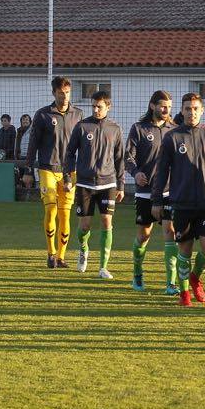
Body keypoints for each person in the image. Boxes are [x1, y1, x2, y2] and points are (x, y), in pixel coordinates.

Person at [151, 93, 205, 307]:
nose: (191, 112)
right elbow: (161, 172)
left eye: (195, 108)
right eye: (187, 108)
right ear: (182, 110)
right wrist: (157, 200)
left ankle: (195, 277)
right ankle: (184, 293)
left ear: (201, 111)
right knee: (184, 251)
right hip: (182, 204)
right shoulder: (172, 138)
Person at [64, 91, 125, 280]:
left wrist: (121, 185)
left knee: (107, 222)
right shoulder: (82, 126)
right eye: (93, 106)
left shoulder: (115, 129)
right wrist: (68, 177)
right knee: (85, 226)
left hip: (108, 183)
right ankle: (83, 251)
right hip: (84, 183)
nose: (96, 109)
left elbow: (119, 158)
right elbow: (69, 153)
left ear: (108, 107)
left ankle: (103, 267)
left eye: (99, 106)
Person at [25, 77, 84, 269]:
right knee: (50, 210)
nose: (65, 96)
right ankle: (50, 254)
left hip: (70, 172)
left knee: (65, 215)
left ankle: (61, 257)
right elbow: (33, 143)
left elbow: (82, 145)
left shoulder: (78, 114)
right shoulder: (42, 115)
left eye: (67, 92)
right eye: (61, 93)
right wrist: (27, 170)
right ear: (54, 93)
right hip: (47, 169)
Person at [126, 90, 177, 292]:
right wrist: (136, 172)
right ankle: (137, 275)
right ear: (152, 106)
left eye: (169, 107)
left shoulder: (174, 130)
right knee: (144, 235)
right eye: (163, 106)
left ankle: (171, 283)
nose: (166, 110)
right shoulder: (138, 129)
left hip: (169, 191)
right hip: (145, 192)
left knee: (170, 232)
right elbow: (128, 157)